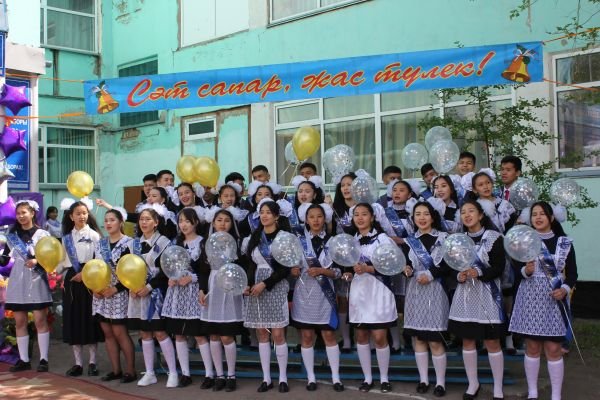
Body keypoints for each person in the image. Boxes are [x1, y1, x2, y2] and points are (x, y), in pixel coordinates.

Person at [509, 201, 577, 400]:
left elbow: (573, 273)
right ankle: (533, 392)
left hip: (555, 300)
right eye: (534, 214)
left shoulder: (564, 242)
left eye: (542, 214)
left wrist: (564, 289)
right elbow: (516, 270)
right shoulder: (525, 241)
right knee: (532, 347)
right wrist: (526, 270)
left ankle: (556, 395)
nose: (537, 217)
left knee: (554, 349)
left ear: (551, 217)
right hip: (530, 298)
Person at [448, 200, 506, 400]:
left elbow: (499, 267)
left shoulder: (494, 238)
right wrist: (459, 275)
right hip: (465, 296)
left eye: (471, 211)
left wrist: (479, 272)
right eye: (463, 212)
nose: (467, 215)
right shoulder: (457, 240)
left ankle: (498, 386)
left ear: (481, 215)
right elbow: (450, 267)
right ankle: (473, 383)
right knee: (468, 340)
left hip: (488, 294)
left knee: (492, 342)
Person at [290, 204, 344, 392]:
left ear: (325, 218)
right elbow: (292, 265)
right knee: (306, 336)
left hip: (324, 294)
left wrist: (322, 271)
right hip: (304, 294)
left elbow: (339, 272)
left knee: (329, 335)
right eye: (311, 217)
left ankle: (336, 377)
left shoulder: (333, 241)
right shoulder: (299, 241)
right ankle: (311, 377)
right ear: (306, 220)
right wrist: (294, 270)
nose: (315, 220)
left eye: (319, 216)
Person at [402, 201, 450, 397]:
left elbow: (449, 265)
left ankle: (440, 383)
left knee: (435, 340)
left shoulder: (444, 238)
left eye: (426, 214)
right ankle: (423, 380)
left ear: (432, 216)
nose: (422, 218)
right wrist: (406, 269)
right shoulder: (409, 241)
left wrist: (431, 274)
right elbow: (406, 264)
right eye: (418, 214)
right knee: (419, 339)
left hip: (436, 291)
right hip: (415, 291)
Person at [242, 199, 291, 393]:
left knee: (278, 334)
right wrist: (248, 284)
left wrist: (265, 284)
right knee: (262, 333)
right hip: (257, 286)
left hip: (275, 285)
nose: (264, 215)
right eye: (262, 212)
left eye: (268, 212)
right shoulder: (255, 236)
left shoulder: (284, 237)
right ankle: (266, 378)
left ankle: (283, 377)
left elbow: (285, 268)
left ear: (276, 216)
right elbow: (251, 264)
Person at [347, 203, 397, 393]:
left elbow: (393, 264)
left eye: (364, 214)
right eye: (356, 215)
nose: (360, 218)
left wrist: (368, 268)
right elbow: (347, 265)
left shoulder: (383, 239)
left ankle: (384, 378)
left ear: (372, 217)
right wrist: (348, 272)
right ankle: (367, 378)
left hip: (379, 290)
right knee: (361, 336)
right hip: (359, 290)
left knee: (379, 336)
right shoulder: (352, 240)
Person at [128, 207, 179, 388]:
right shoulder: (134, 244)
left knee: (160, 331)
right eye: (141, 219)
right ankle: (150, 372)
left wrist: (150, 286)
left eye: (148, 219)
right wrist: (131, 286)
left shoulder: (164, 243)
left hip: (157, 293)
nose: (144, 222)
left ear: (156, 222)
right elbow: (127, 268)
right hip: (138, 293)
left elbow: (167, 271)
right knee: (144, 332)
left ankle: (173, 372)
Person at [161, 208, 210, 389]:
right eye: (181, 221)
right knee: (179, 334)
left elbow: (206, 270)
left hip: (194, 293)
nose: (183, 225)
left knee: (199, 335)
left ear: (195, 222)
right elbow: (168, 266)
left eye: (187, 221)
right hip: (177, 294)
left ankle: (209, 374)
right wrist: (170, 278)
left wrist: (192, 278)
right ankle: (185, 373)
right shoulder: (175, 242)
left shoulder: (203, 243)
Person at [2, 200, 52, 372]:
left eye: (24, 212)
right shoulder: (12, 235)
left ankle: (44, 359)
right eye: (18, 213)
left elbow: (51, 257)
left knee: (40, 320)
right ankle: (24, 360)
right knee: (20, 322)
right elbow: (5, 259)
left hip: (37, 279)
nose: (21, 216)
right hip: (17, 280)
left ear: (32, 213)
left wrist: (37, 260)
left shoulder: (42, 234)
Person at [200, 208, 245, 392]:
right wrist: (202, 290)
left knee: (227, 335)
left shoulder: (238, 243)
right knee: (214, 335)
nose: (223, 224)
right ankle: (219, 375)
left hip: (230, 287)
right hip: (212, 287)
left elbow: (242, 267)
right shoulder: (206, 242)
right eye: (219, 220)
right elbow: (203, 269)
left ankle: (231, 375)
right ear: (213, 222)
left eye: (227, 220)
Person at [60, 200, 104, 377]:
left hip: (90, 277)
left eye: (84, 213)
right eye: (78, 213)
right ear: (71, 216)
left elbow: (99, 260)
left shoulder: (94, 235)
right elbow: (61, 262)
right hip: (72, 280)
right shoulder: (66, 238)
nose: (82, 216)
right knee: (74, 320)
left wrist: (85, 274)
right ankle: (78, 363)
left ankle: (93, 362)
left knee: (90, 320)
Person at [92, 208, 137, 383]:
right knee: (108, 332)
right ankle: (115, 370)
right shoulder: (100, 243)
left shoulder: (129, 243)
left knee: (120, 332)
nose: (108, 223)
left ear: (120, 222)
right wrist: (95, 287)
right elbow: (94, 268)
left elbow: (133, 272)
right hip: (102, 293)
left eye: (112, 220)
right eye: (106, 220)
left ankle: (130, 371)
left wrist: (116, 288)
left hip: (119, 293)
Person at [331, 172, 356, 353]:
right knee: (343, 300)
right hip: (341, 259)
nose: (346, 188)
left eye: (350, 184)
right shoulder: (335, 209)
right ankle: (346, 340)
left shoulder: (367, 207)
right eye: (343, 185)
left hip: (361, 257)